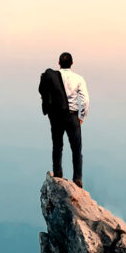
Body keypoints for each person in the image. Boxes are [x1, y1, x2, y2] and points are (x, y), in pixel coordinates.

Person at [39, 52, 90, 187]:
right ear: (72, 63)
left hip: (56, 116)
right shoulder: (78, 78)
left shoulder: (53, 77)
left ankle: (58, 174)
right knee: (76, 149)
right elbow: (85, 100)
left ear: (59, 63)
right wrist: (82, 117)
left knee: (57, 145)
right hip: (72, 116)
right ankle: (77, 179)